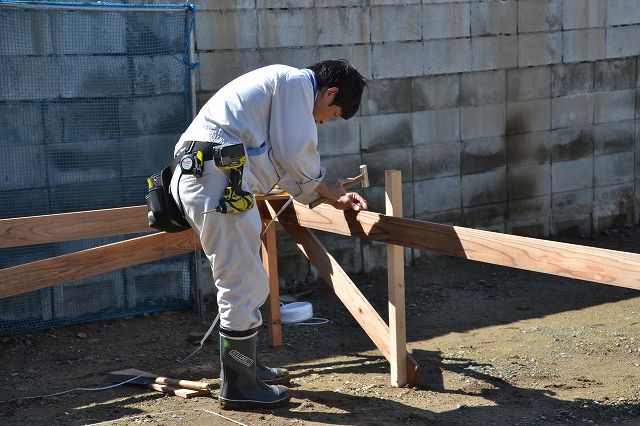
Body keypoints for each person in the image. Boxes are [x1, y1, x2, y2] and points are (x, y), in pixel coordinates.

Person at [170, 59, 368, 410]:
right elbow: (295, 152)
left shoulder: (281, 92)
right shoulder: (294, 83)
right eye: (332, 113)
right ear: (330, 92)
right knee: (242, 283)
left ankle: (246, 368)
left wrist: (328, 192)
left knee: (249, 282)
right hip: (215, 183)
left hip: (214, 180)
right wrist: (325, 184)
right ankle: (239, 385)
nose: (324, 121)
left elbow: (284, 163)